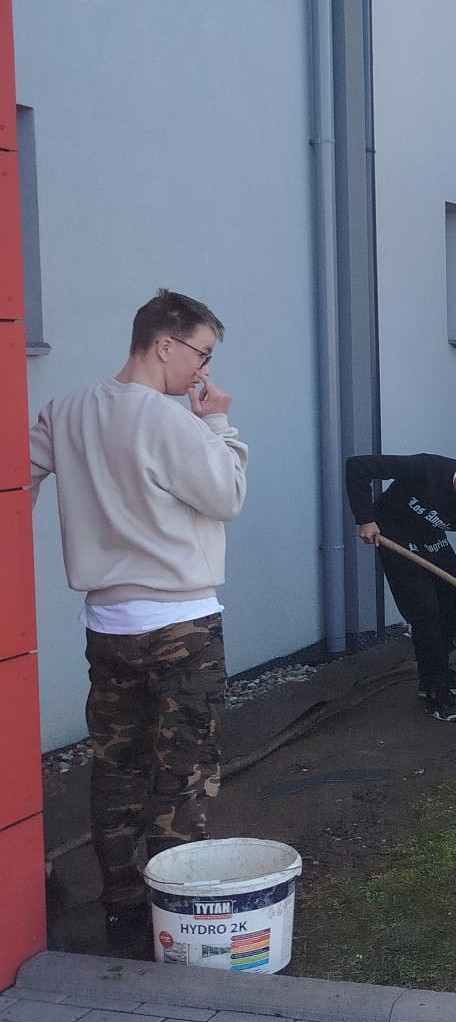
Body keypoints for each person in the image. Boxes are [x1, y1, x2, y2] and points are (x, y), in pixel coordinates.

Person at [29, 289, 248, 947]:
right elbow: (227, 495)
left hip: (107, 624)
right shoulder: (170, 421)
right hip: (182, 624)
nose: (204, 371)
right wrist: (219, 424)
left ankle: (121, 910)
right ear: (164, 344)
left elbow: (19, 476)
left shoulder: (66, 410)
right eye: (201, 354)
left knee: (116, 766)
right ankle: (175, 918)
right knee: (183, 771)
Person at [345, 454, 456, 721]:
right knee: (425, 611)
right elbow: (358, 466)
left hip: (430, 537)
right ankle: (435, 692)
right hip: (394, 532)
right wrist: (365, 519)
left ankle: (436, 668)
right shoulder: (427, 469)